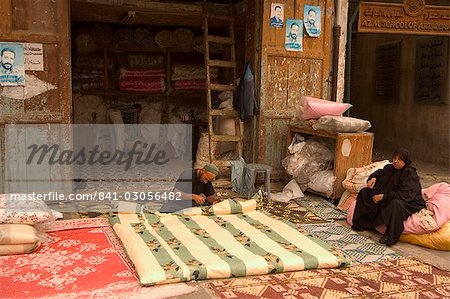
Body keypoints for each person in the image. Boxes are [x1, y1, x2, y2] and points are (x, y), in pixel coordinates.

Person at [352, 149, 426, 246]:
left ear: (405, 161)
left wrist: (384, 197)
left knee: (395, 204)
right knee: (364, 193)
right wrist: (373, 178)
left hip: (407, 201)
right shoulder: (390, 168)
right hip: (388, 195)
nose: (395, 161)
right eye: (394, 158)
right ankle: (363, 222)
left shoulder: (409, 174)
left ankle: (390, 235)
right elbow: (379, 172)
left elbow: (405, 195)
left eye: (399, 159)